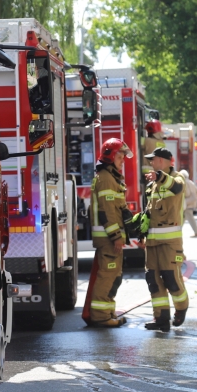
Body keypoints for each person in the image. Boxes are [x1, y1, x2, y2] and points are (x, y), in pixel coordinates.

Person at [87, 138, 132, 327]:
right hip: (108, 238)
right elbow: (107, 211)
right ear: (111, 156)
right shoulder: (106, 178)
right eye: (120, 156)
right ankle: (101, 316)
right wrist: (115, 237)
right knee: (108, 275)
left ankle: (107, 312)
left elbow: (116, 208)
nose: (123, 160)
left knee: (114, 276)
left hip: (110, 237)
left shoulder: (110, 177)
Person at [143, 147, 188, 332]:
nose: (151, 163)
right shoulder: (152, 184)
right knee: (153, 280)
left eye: (153, 160)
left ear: (162, 161)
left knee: (171, 278)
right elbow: (149, 212)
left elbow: (175, 186)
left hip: (170, 243)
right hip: (152, 242)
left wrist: (159, 177)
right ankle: (161, 318)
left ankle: (181, 307)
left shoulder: (178, 178)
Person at [179, 169, 197, 237]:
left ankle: (196, 233)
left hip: (188, 205)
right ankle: (178, 231)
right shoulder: (190, 182)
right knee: (182, 218)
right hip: (190, 204)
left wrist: (185, 201)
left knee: (189, 219)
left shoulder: (186, 183)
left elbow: (193, 196)